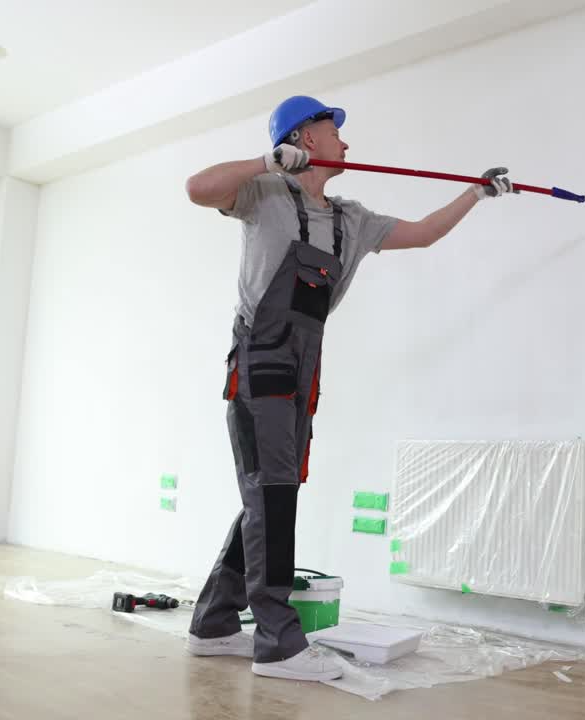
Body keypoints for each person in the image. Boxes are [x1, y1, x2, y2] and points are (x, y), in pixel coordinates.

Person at [180, 95, 516, 681]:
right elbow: (197, 188)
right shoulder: (261, 195)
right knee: (272, 495)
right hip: (261, 361)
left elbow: (423, 233)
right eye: (335, 132)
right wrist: (266, 160)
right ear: (306, 139)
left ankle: (213, 623)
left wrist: (477, 193)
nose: (347, 143)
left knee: (270, 495)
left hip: (304, 367)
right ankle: (278, 645)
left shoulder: (352, 220)